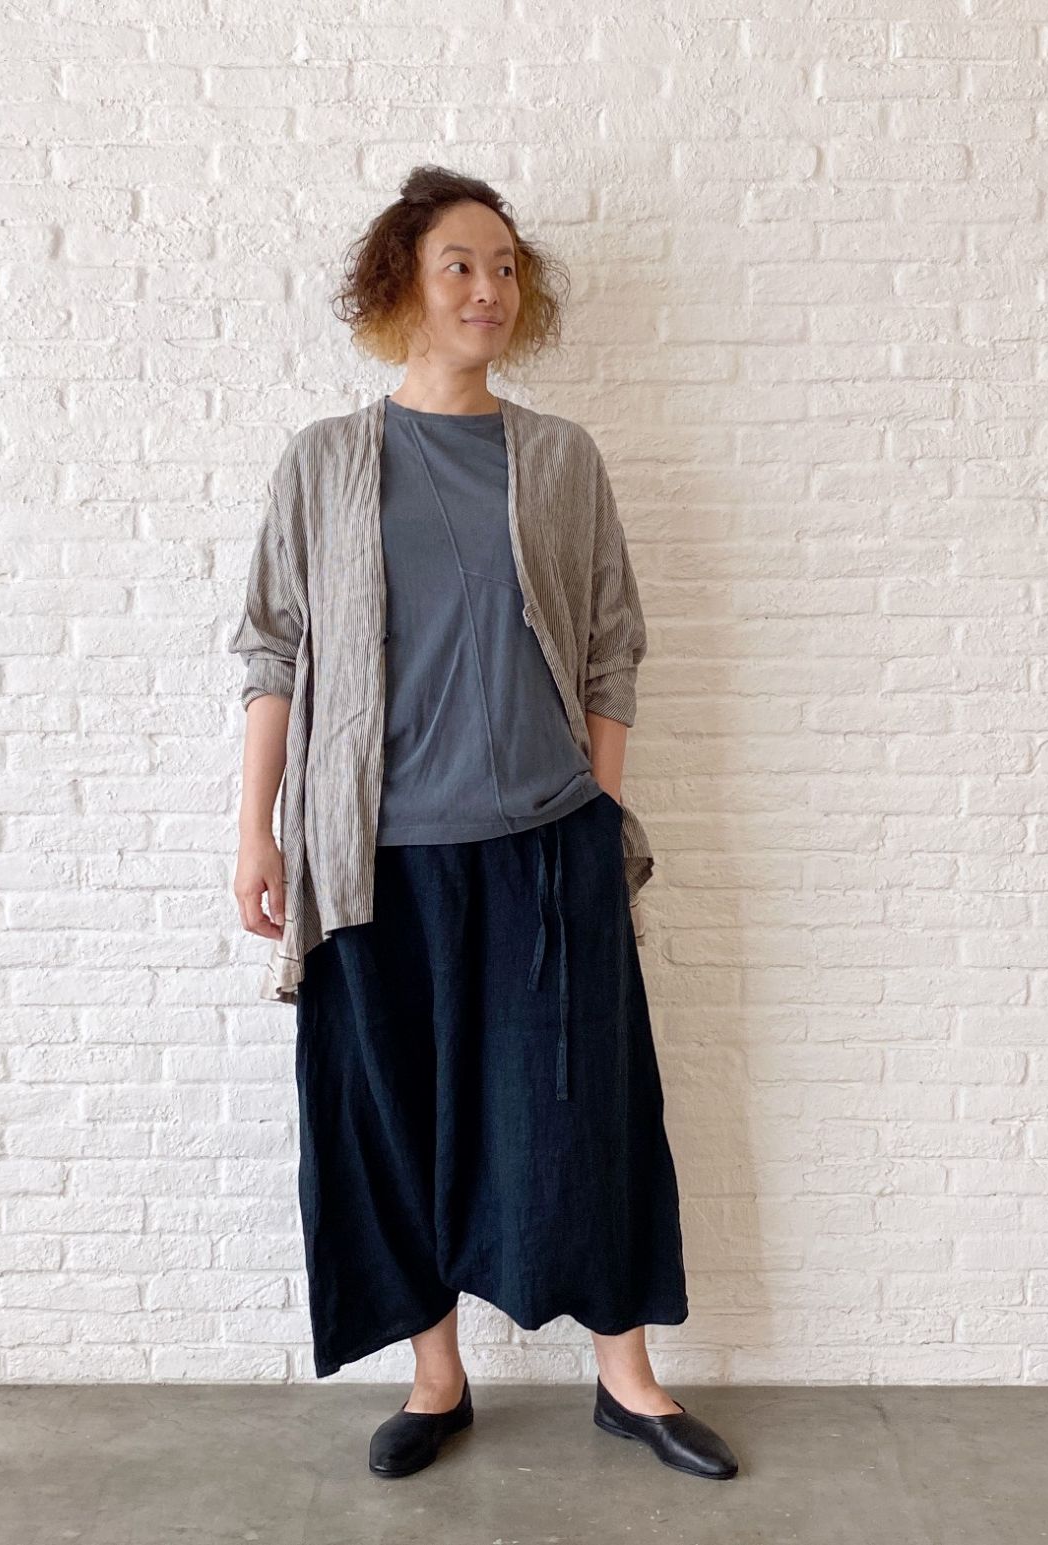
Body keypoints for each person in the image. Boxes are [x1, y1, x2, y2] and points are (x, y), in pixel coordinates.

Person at [230, 165, 739, 1483]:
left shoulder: (560, 458)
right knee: (393, 1118)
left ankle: (627, 1379)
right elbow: (274, 648)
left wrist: (599, 807)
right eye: (460, 263)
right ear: (400, 282)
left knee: (582, 1113)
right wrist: (258, 829)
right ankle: (436, 1378)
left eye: (507, 267)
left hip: (545, 849)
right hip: (374, 861)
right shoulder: (326, 461)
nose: (489, 289)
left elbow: (613, 643)